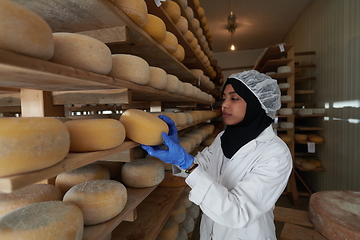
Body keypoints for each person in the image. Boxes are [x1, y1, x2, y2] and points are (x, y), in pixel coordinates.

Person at [142, 70, 293, 240]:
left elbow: (238, 212)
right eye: (224, 97)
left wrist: (187, 164)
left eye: (234, 98)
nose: (225, 104)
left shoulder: (275, 153)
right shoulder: (224, 138)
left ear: (255, 104)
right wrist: (180, 156)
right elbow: (200, 167)